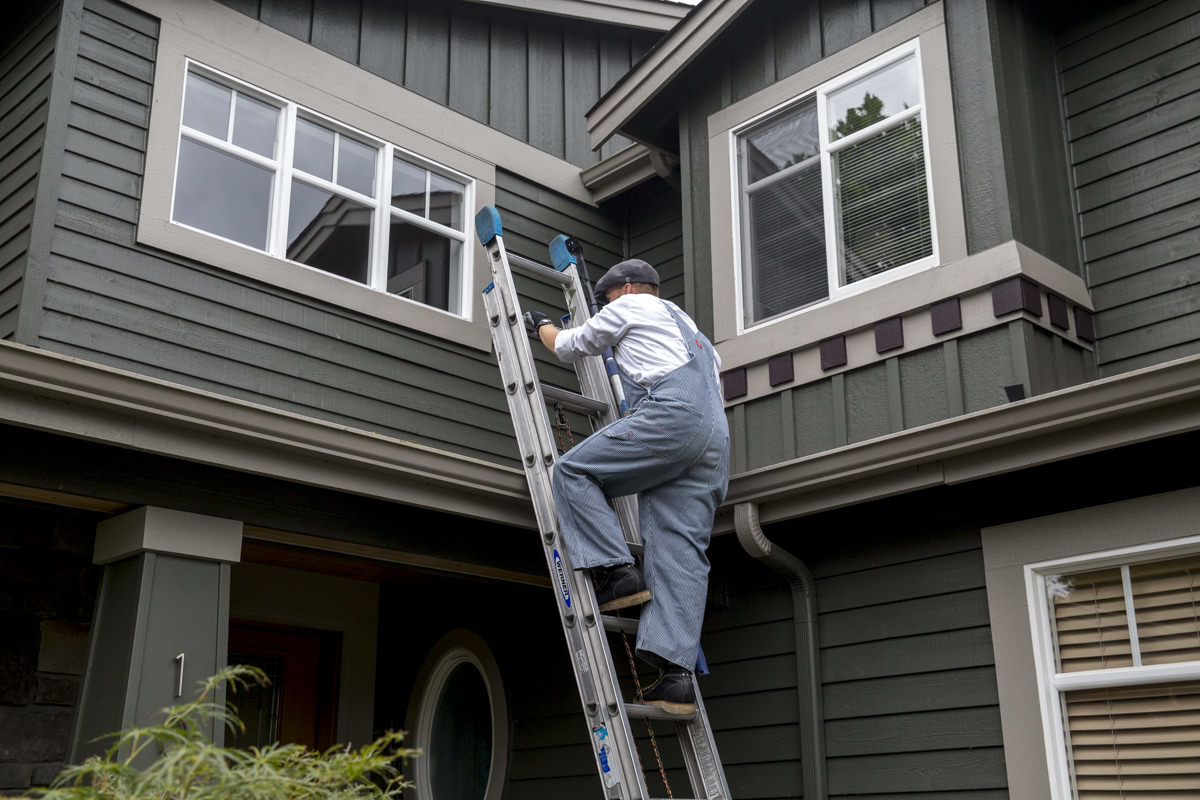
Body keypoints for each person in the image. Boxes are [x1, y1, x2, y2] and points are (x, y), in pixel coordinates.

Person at [523, 258, 729, 715]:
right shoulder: (696, 334)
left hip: (675, 419)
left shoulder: (631, 305)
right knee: (680, 550)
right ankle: (677, 679)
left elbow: (569, 346)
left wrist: (540, 327)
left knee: (573, 472)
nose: (605, 308)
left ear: (631, 287)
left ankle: (617, 573)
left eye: (607, 299)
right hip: (714, 441)